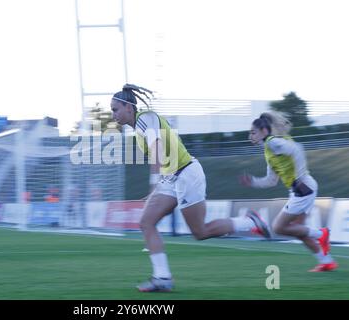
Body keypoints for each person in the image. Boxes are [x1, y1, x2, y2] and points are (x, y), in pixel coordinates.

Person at [110, 84, 271, 292]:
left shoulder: (145, 118)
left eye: (115, 109)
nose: (113, 114)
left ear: (128, 107)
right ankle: (162, 278)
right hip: (172, 178)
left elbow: (157, 148)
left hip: (187, 174)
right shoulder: (138, 127)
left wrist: (154, 184)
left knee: (200, 232)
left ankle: (249, 221)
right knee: (146, 222)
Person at [239, 112, 338, 272]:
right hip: (303, 189)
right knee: (299, 230)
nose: (250, 136)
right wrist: (253, 182)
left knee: (278, 227)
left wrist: (299, 177)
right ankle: (326, 262)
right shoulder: (269, 149)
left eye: (253, 132)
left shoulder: (272, 142)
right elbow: (271, 180)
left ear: (264, 131)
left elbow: (297, 149)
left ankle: (321, 234)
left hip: (303, 189)